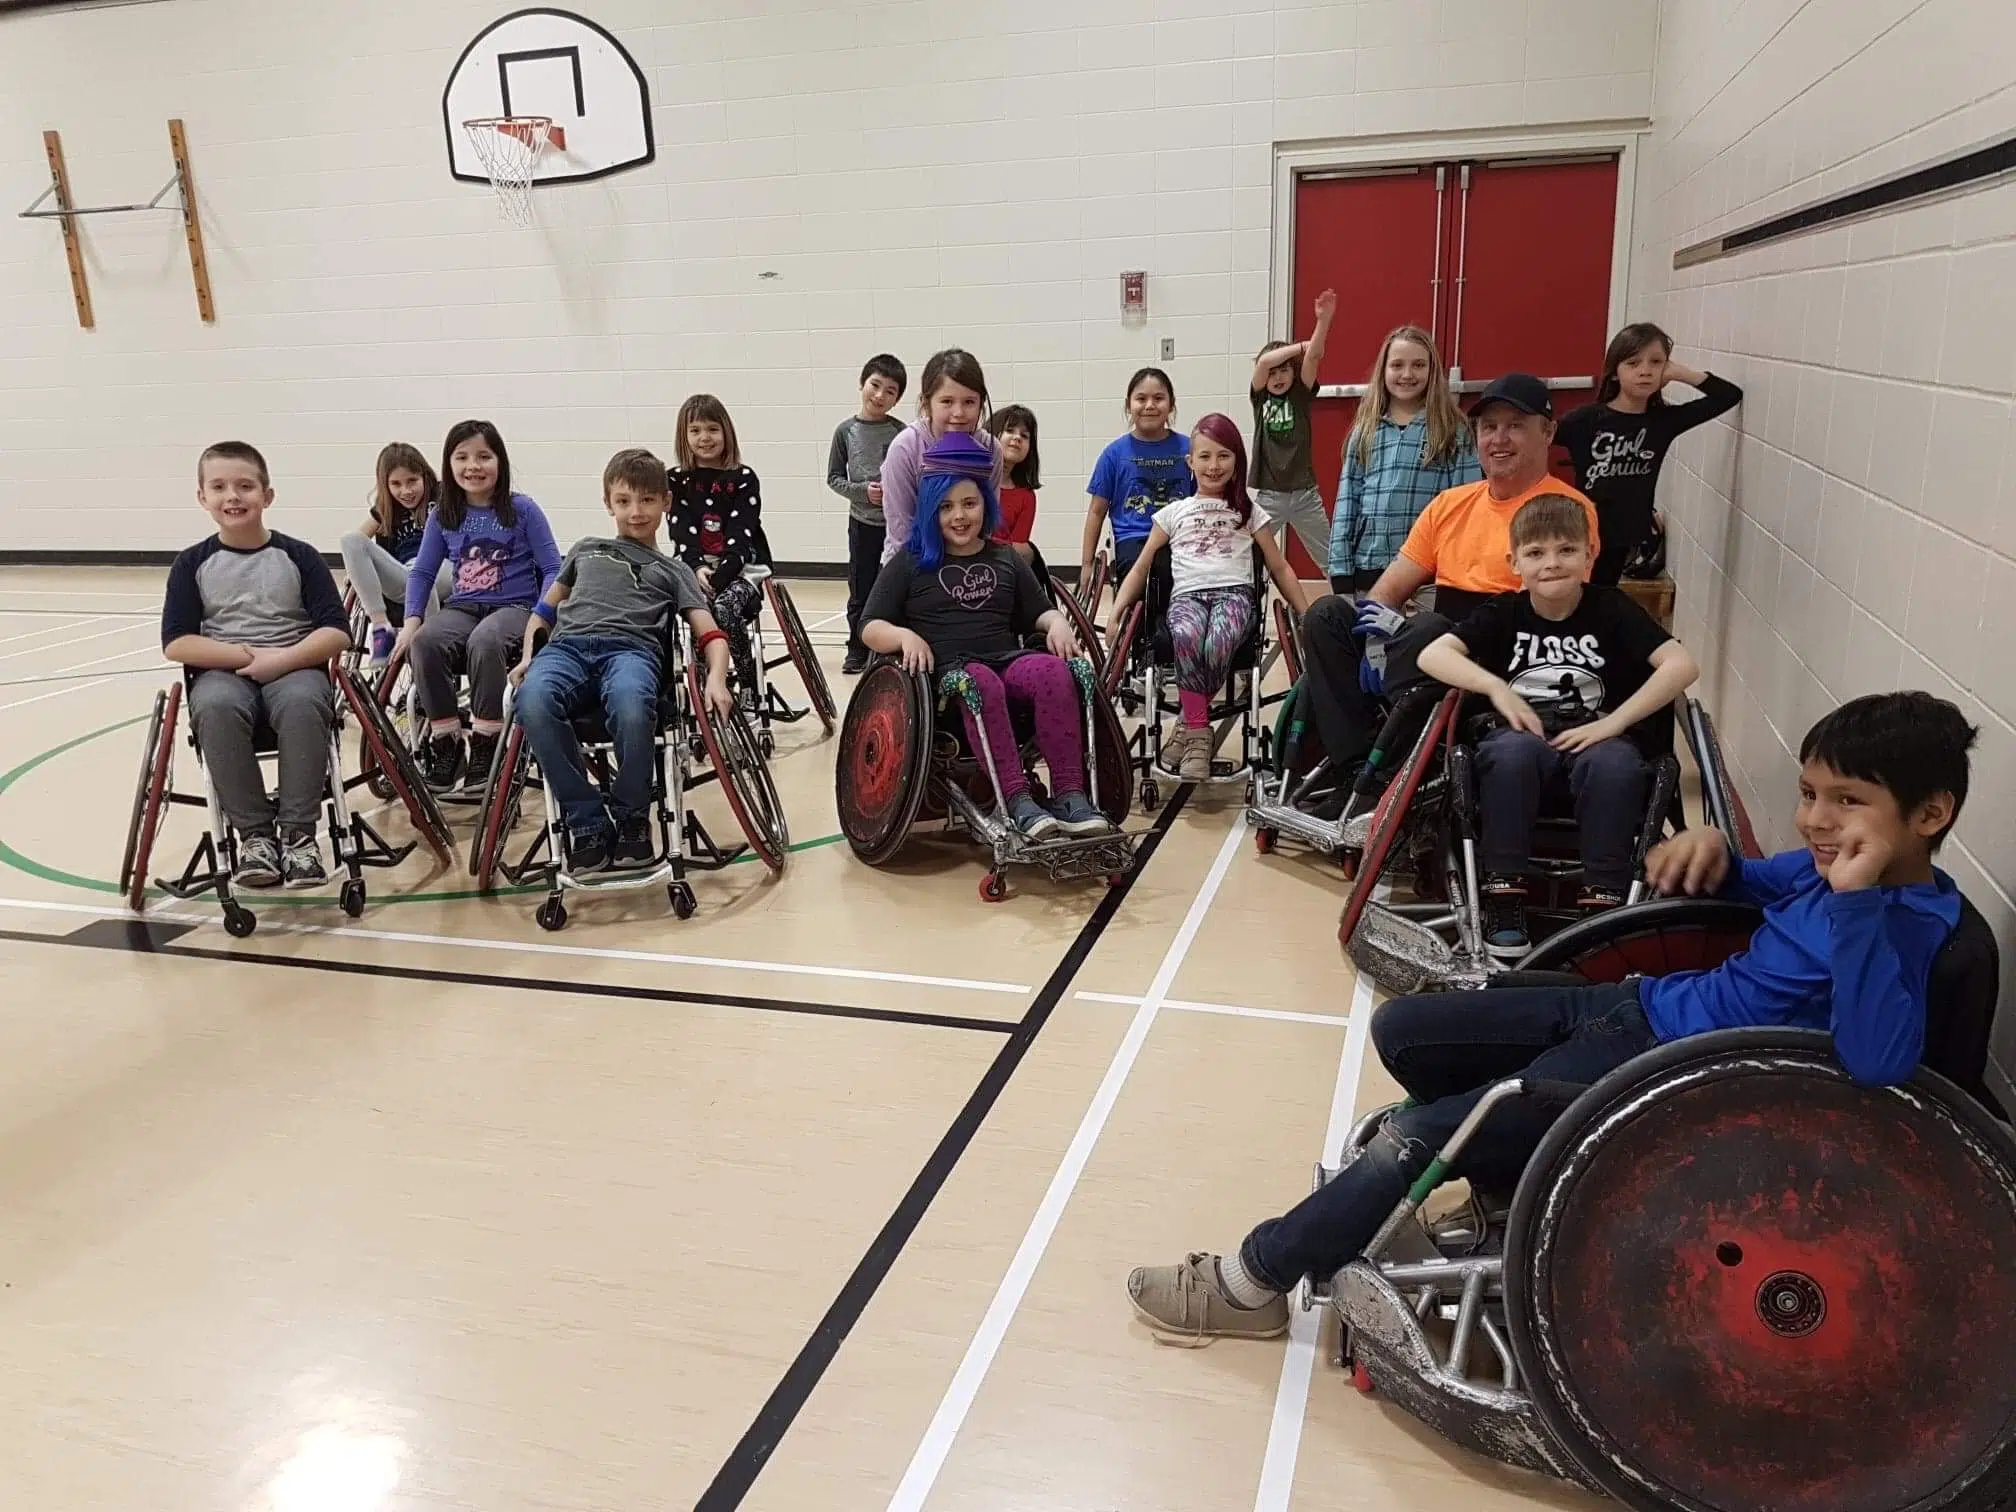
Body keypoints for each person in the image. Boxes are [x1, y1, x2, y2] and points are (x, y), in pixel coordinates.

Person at [1127, 689, 1976, 1343]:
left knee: (1413, 1132)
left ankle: (1252, 1283)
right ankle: (1501, 1169)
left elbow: (1876, 1062)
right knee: (1404, 1031)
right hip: (1633, 1011)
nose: (1818, 822)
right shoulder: (1826, 869)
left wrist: (1859, 904)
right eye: (1809, 794)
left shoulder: (1902, 926)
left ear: (1930, 816)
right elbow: (1755, 884)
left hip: (1666, 1078)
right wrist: (1714, 855)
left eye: (1847, 802)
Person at [1294, 374, 1599, 818]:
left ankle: (1391, 773)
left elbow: (1556, 609)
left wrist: (1414, 639)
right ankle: (1357, 769)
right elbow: (1390, 589)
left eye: (1515, 425)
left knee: (1427, 630)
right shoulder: (1451, 504)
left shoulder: (1566, 511)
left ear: (1547, 432)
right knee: (1327, 615)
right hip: (1433, 639)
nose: (1499, 439)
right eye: (1489, 427)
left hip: (1510, 648)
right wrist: (1377, 640)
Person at [1416, 495, 1700, 954]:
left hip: (1595, 736)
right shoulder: (1505, 613)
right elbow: (1432, 654)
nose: (1552, 563)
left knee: (1615, 764)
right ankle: (1503, 891)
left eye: (1567, 550)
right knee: (1511, 752)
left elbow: (1681, 665)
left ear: (1590, 555)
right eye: (1536, 553)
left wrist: (1616, 722)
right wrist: (1496, 688)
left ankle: (1604, 900)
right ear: (1515, 563)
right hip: (1521, 739)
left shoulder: (1611, 609)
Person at [861, 432, 1112, 842]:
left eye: (969, 504)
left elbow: (1039, 611)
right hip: (951, 676)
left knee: (1052, 671)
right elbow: (869, 625)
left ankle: (1069, 794)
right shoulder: (912, 561)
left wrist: (1057, 623)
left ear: (985, 505)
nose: (959, 516)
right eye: (945, 507)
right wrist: (904, 637)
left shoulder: (1004, 557)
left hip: (1004, 660)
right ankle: (1015, 799)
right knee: (981, 682)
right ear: (929, 511)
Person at [511, 449, 735, 874]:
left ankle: (633, 817)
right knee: (532, 702)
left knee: (634, 709)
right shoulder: (585, 550)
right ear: (608, 503)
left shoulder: (675, 570)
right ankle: (588, 822)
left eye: (648, 500)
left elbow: (710, 634)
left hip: (631, 652)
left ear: (666, 502)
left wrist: (717, 679)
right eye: (624, 501)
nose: (636, 512)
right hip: (567, 649)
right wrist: (528, 657)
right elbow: (542, 614)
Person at [161, 441, 352, 890]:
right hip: (224, 670)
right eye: (220, 487)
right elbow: (177, 642)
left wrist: (281, 660)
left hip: (294, 664)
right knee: (215, 708)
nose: (233, 496)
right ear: (202, 498)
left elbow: (336, 632)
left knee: (307, 702)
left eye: (245, 486)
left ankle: (300, 837)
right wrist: (247, 658)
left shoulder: (300, 556)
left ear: (267, 496)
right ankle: (255, 838)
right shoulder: (192, 563)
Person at [1109, 414, 1310, 782]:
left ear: (1237, 460)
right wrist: (1119, 610)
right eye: (1204, 456)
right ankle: (1200, 732)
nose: (1213, 465)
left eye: (1223, 456)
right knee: (1186, 636)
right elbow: (1140, 568)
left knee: (1218, 639)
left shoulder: (1250, 512)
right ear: (1190, 462)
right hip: (1187, 597)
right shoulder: (1172, 514)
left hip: (1235, 596)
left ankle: (1190, 727)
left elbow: (1280, 568)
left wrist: (1305, 613)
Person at [395, 419, 562, 792]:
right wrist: (411, 621)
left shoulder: (522, 509)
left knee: (485, 641)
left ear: (499, 462)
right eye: (462, 457)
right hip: (465, 606)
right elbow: (421, 573)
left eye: (484, 457)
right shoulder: (444, 514)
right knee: (424, 642)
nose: (473, 466)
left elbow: (554, 568)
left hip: (516, 607)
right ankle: (446, 740)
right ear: (448, 464)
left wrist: (542, 615)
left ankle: (488, 741)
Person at [1557, 322, 1743, 586]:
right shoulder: (1586, 420)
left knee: (1601, 601)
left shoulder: (1663, 421)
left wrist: (1680, 373)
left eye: (1656, 363)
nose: (1645, 371)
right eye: (1633, 363)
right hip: (1581, 532)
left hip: (1625, 534)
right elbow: (1535, 439)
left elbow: (1728, 396)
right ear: (1614, 373)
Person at [1327, 325, 1480, 596]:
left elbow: (1465, 507)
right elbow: (1346, 504)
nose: (1407, 374)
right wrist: (1341, 569)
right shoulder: (1364, 432)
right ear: (1383, 371)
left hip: (1428, 576)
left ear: (1432, 371)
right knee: (1373, 638)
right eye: (1397, 365)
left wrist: (1458, 569)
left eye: (1418, 365)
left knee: (1421, 638)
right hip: (1369, 570)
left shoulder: (1452, 430)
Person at [666, 393, 771, 701]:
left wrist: (722, 575)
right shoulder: (676, 480)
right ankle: (704, 683)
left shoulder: (743, 478)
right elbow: (681, 531)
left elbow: (741, 534)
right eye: (695, 430)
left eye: (712, 429)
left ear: (726, 432)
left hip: (740, 568)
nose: (704, 438)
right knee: (697, 613)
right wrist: (697, 567)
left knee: (723, 610)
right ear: (684, 436)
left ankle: (748, 680)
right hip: (693, 567)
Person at [878, 349, 1004, 565]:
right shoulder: (905, 448)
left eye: (969, 402)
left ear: (981, 403)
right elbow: (902, 528)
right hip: (911, 562)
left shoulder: (991, 448)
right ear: (927, 404)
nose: (959, 413)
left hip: (969, 563)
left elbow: (987, 522)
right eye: (947, 401)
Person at [829, 354, 908, 676]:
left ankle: (889, 644)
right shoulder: (845, 432)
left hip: (896, 525)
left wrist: (896, 492)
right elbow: (834, 478)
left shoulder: (902, 433)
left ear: (897, 398)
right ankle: (857, 648)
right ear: (862, 384)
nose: (880, 395)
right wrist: (864, 492)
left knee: (893, 586)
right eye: (875, 385)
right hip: (862, 524)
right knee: (860, 587)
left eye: (890, 391)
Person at [339, 442, 451, 668]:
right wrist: (357, 571)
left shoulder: (442, 495)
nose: (406, 491)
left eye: (412, 481)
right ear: (385, 485)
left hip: (442, 568)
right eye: (396, 484)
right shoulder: (386, 508)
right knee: (349, 540)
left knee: (421, 580)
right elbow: (359, 541)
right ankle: (382, 629)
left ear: (425, 477)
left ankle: (430, 655)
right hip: (404, 575)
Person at [1248, 287, 1337, 571]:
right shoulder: (1259, 396)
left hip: (1304, 495)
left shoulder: (1300, 393)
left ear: (1293, 372)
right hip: (1269, 497)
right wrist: (1302, 345)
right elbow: (1263, 362)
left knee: (1331, 559)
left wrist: (1323, 321)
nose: (1277, 377)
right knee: (1248, 558)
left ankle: (1349, 605)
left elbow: (1312, 358)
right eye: (1273, 373)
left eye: (1284, 370)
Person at [1081, 367, 1193, 589]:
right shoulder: (1114, 454)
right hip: (1133, 537)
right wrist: (1086, 564)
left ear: (1171, 404)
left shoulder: (1190, 448)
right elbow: (1096, 511)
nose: (1150, 405)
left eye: (1158, 398)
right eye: (1141, 398)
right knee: (1148, 572)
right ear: (1128, 405)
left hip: (1180, 536)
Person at [986, 404, 1042, 561]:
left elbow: (1019, 548)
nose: (1017, 438)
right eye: (1009, 431)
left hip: (1002, 567)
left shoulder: (1026, 496)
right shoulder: (971, 482)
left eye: (1024, 436)